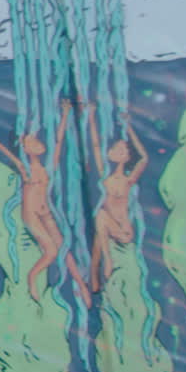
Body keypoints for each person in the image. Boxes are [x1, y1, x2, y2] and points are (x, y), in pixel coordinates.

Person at [0, 101, 91, 308]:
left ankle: (82, 287)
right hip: (31, 214)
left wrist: (66, 114)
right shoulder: (24, 169)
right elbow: (1, 147)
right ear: (25, 149)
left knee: (64, 250)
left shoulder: (46, 166)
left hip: (46, 213)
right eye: (31, 142)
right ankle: (33, 277)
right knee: (51, 252)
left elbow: (59, 142)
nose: (38, 143)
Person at [83, 102, 149, 292]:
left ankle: (107, 262)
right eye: (118, 149)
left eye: (125, 151)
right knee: (100, 225)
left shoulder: (128, 180)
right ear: (110, 154)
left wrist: (128, 127)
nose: (123, 152)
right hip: (106, 228)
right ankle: (94, 279)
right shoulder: (105, 178)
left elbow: (144, 158)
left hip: (123, 231)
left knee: (101, 217)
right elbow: (95, 144)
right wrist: (91, 116)